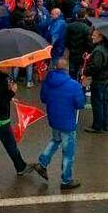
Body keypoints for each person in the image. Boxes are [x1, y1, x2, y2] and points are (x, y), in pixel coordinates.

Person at [27, 57, 85, 190]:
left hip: (54, 119)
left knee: (56, 140)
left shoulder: (48, 80)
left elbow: (43, 98)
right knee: (68, 152)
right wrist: (82, 87)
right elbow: (80, 104)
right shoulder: (74, 85)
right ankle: (66, 180)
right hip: (68, 122)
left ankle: (42, 163)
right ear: (67, 69)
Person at [83, 29, 108, 133]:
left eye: (94, 35)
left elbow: (96, 66)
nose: (92, 37)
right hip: (104, 79)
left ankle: (97, 126)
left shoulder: (99, 50)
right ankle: (105, 123)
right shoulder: (105, 47)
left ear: (101, 37)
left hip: (99, 80)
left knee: (97, 103)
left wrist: (86, 71)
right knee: (104, 102)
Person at [65, 11, 92, 82]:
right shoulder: (86, 28)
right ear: (85, 16)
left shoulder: (70, 26)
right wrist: (88, 51)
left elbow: (66, 39)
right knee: (81, 70)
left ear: (77, 15)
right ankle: (78, 84)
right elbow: (88, 42)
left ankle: (71, 83)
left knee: (72, 71)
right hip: (82, 53)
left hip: (72, 52)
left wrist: (70, 47)